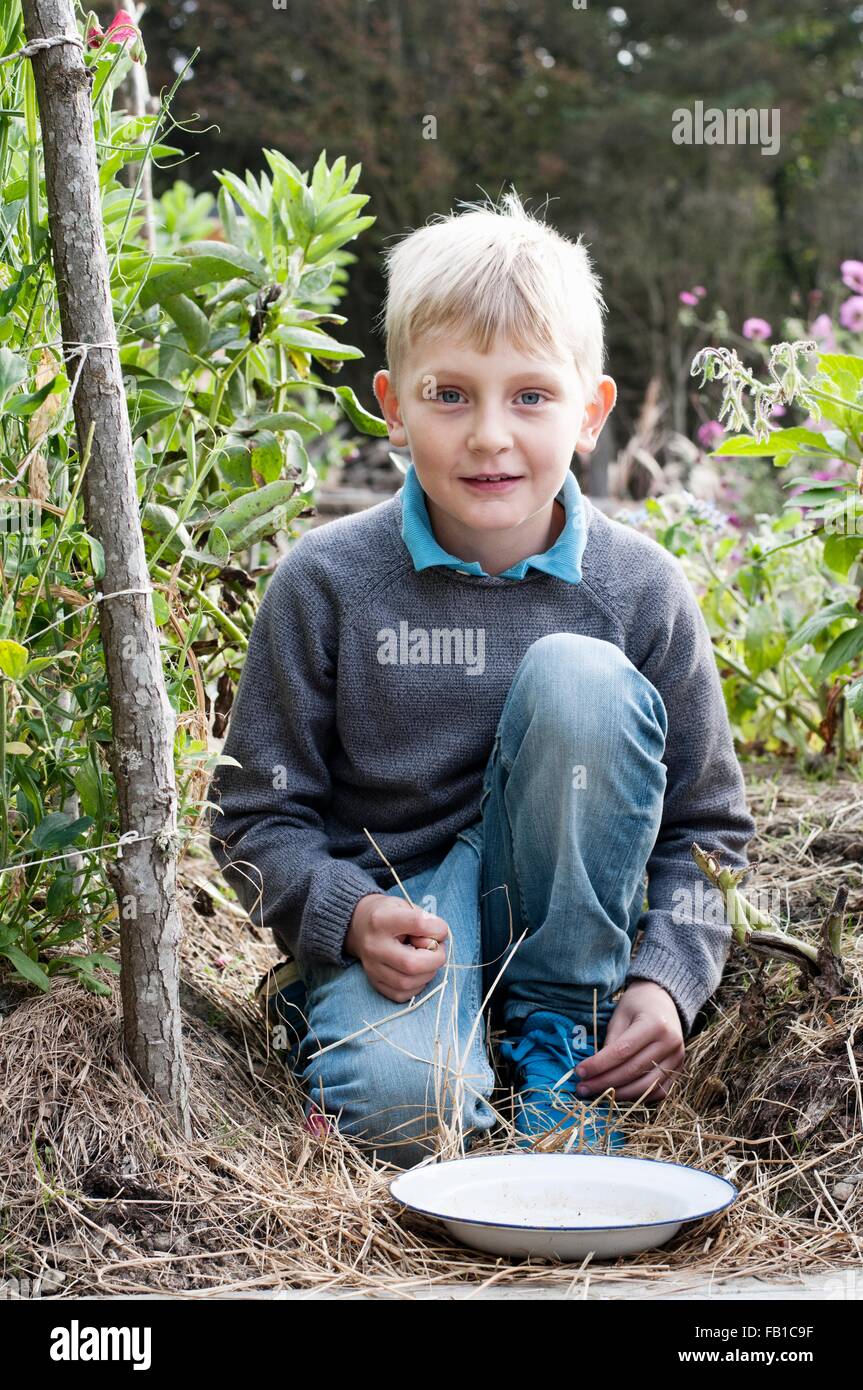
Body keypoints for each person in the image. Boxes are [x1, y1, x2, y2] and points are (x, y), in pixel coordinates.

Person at [208, 188, 756, 1170]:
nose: (490, 435)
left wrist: (668, 978)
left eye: (531, 396)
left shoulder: (638, 590)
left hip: (571, 917)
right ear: (392, 406)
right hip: (406, 923)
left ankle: (551, 1026)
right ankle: (349, 1020)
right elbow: (256, 818)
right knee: (398, 1113)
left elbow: (709, 828)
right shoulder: (325, 584)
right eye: (449, 394)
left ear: (590, 413)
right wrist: (343, 914)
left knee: (577, 678)